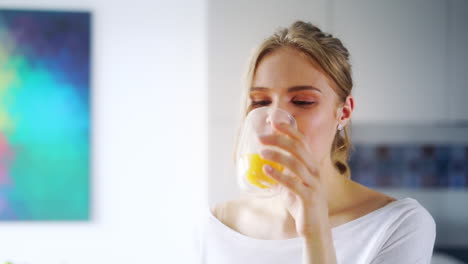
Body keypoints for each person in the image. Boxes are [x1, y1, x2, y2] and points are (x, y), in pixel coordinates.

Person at [196, 21, 436, 264]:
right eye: (260, 102)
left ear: (343, 112)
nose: (274, 120)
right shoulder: (216, 225)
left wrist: (316, 234)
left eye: (302, 101)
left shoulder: (399, 225)